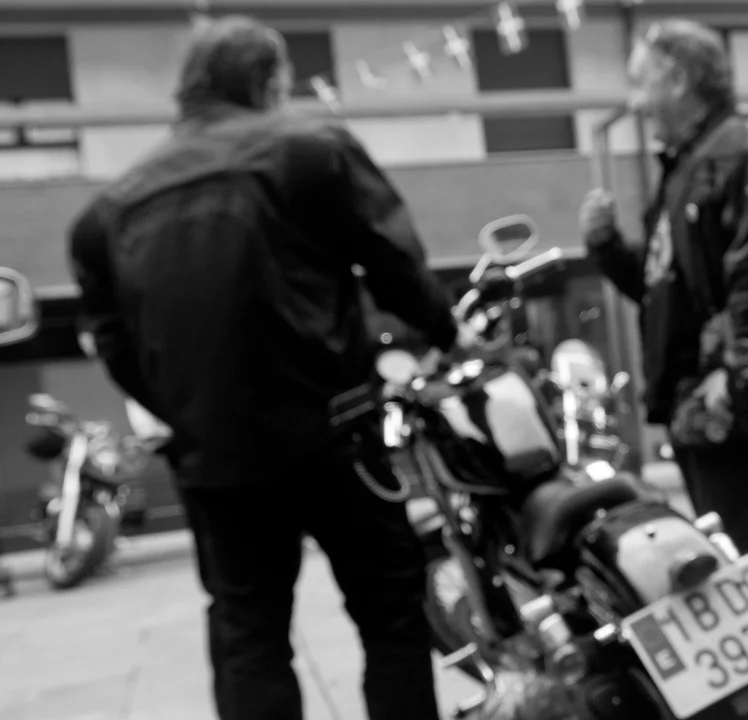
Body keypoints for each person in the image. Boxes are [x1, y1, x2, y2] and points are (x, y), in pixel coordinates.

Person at [68, 16, 475, 720]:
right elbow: (393, 265)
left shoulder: (108, 213)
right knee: (390, 615)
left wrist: (184, 412)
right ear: (267, 82)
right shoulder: (310, 154)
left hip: (217, 460)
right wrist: (448, 332)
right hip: (334, 438)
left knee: (248, 634)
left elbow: (115, 344)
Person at [579, 19, 748, 554]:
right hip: (694, 402)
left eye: (642, 83)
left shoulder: (743, 157)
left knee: (744, 559)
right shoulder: (686, 168)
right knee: (732, 561)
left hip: (723, 400)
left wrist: (736, 367)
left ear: (679, 79)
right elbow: (663, 291)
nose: (637, 103)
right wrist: (607, 247)